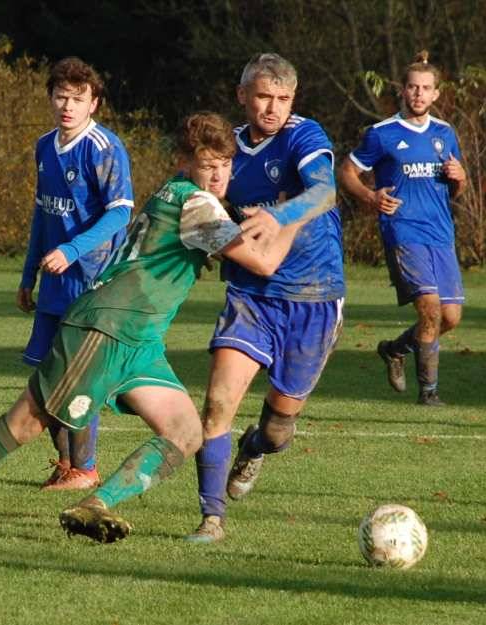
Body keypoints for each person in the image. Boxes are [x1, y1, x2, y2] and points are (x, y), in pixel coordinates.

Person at [0, 111, 333, 543]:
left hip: (138, 339)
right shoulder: (195, 204)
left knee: (185, 432)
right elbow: (263, 262)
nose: (218, 176)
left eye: (225, 165)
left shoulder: (187, 196)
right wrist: (295, 214)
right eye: (208, 166)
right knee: (28, 422)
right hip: (105, 327)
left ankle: (94, 504)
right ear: (185, 162)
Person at [187, 53, 345, 543]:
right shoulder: (228, 148)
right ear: (242, 96)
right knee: (216, 404)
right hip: (251, 293)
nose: (273, 108)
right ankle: (212, 519)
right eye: (262, 97)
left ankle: (254, 448)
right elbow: (196, 190)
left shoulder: (303, 134)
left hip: (313, 296)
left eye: (282, 98)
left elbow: (325, 193)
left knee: (278, 431)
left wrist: (278, 216)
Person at [18, 57, 134, 491]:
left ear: (94, 103)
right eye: (61, 96)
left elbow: (120, 213)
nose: (68, 105)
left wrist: (71, 249)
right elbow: (42, 215)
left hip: (92, 280)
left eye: (78, 98)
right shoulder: (45, 146)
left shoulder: (104, 148)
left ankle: (85, 469)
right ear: (51, 98)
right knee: (47, 377)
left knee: (80, 378)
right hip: (54, 282)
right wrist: (28, 275)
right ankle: (66, 464)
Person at [339, 52, 467, 407]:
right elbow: (347, 171)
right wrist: (370, 196)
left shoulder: (445, 133)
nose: (419, 94)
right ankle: (429, 393)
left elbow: (456, 186)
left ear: (436, 94)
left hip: (440, 233)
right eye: (413, 87)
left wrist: (461, 178)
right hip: (403, 231)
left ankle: (395, 350)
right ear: (403, 90)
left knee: (451, 317)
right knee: (429, 307)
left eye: (426, 88)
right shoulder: (382, 134)